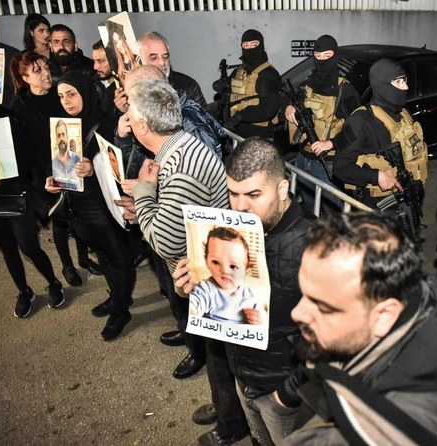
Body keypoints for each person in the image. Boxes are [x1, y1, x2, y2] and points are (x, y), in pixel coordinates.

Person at [283, 212, 437, 445]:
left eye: (322, 306)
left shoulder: (376, 435)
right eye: (304, 294)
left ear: (384, 315)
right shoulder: (422, 294)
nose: (297, 313)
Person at [173, 137, 315, 446]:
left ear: (282, 189)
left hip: (284, 392)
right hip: (244, 377)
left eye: (253, 194)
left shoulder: (315, 244)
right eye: (233, 194)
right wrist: (192, 288)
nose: (240, 206)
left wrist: (286, 395)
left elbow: (333, 339)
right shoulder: (230, 231)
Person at [127, 78, 229, 377]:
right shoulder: (177, 148)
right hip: (203, 270)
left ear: (143, 126)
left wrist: (144, 193)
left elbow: (165, 242)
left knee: (220, 360)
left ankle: (229, 419)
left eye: (131, 115)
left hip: (211, 281)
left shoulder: (182, 165)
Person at [0, 69, 64, 317]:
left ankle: (53, 283)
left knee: (29, 246)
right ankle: (24, 291)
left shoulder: (7, 117)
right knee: (8, 249)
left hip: (15, 193)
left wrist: (4, 177)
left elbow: (28, 157)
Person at [45, 71, 136, 341]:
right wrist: (54, 179)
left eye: (71, 94)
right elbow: (58, 163)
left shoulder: (106, 123)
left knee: (118, 257)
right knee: (103, 255)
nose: (66, 101)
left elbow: (121, 163)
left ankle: (121, 310)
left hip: (103, 203)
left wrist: (93, 168)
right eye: (61, 96)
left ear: (85, 91)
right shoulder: (61, 126)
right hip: (77, 205)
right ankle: (118, 298)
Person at [9, 51, 102, 286]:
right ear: (25, 77)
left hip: (69, 161)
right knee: (60, 220)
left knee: (78, 213)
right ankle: (67, 265)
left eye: (45, 67)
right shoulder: (19, 105)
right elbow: (21, 147)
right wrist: (38, 175)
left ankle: (83, 259)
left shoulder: (59, 94)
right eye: (37, 70)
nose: (46, 72)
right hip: (43, 172)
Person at [333, 58, 427, 211]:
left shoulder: (403, 114)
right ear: (382, 85)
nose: (406, 87)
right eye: (399, 82)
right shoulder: (360, 121)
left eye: (405, 81)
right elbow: (340, 167)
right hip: (375, 207)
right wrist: (376, 177)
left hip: (408, 198)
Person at [285, 34, 360, 213]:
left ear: (335, 56)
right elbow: (292, 100)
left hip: (329, 162)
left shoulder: (345, 91)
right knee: (310, 209)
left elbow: (357, 131)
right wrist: (288, 107)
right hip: (303, 158)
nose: (322, 61)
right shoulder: (309, 84)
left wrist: (330, 143)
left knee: (331, 213)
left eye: (327, 56)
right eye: (317, 56)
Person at [113, 31, 206, 115]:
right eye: (154, 58)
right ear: (140, 59)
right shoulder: (129, 90)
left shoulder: (188, 86)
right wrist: (125, 112)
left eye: (165, 57)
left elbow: (208, 124)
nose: (162, 63)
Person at [214, 29, 282, 139]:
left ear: (261, 45)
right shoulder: (239, 71)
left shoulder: (268, 74)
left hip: (260, 136)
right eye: (246, 45)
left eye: (254, 44)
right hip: (236, 134)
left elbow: (270, 108)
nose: (250, 48)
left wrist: (241, 116)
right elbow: (228, 93)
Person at [189, 226, 264, 325]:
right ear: (206, 261)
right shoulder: (206, 289)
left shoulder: (250, 295)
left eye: (233, 266)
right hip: (213, 337)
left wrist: (260, 319)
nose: (224, 270)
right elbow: (193, 305)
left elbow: (262, 318)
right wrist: (192, 311)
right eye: (216, 262)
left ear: (246, 270)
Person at [50, 119, 81, 190]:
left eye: (63, 134)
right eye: (59, 135)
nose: (61, 138)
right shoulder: (53, 162)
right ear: (56, 139)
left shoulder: (76, 158)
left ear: (67, 136)